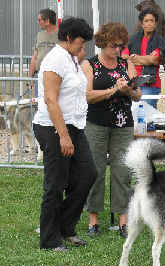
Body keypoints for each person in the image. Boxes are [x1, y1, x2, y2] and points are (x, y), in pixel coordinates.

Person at [32, 17, 96, 252]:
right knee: (55, 184)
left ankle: (66, 227)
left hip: (75, 126)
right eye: (81, 42)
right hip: (53, 128)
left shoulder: (71, 58)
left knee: (87, 174)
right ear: (68, 38)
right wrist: (63, 136)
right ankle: (49, 240)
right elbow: (50, 99)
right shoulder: (54, 61)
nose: (84, 47)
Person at [81, 22, 142, 238]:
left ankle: (123, 221)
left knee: (122, 172)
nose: (119, 50)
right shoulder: (89, 65)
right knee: (95, 171)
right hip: (96, 124)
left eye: (121, 46)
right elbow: (87, 95)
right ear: (103, 44)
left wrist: (128, 91)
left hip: (123, 125)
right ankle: (93, 220)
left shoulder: (126, 64)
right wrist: (112, 90)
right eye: (115, 45)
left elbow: (138, 95)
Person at [122, 8, 165, 109]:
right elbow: (124, 57)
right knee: (133, 114)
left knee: (146, 114)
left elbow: (154, 60)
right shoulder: (133, 39)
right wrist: (146, 59)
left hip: (151, 84)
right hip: (133, 82)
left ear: (156, 23)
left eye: (152, 21)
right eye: (146, 21)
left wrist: (135, 58)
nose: (149, 24)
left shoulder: (159, 40)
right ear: (142, 24)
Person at [29, 9, 58, 98]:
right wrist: (30, 78)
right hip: (40, 75)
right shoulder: (39, 35)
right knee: (40, 103)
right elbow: (35, 57)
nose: (38, 22)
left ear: (47, 21)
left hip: (55, 75)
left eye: (39, 20)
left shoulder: (61, 35)